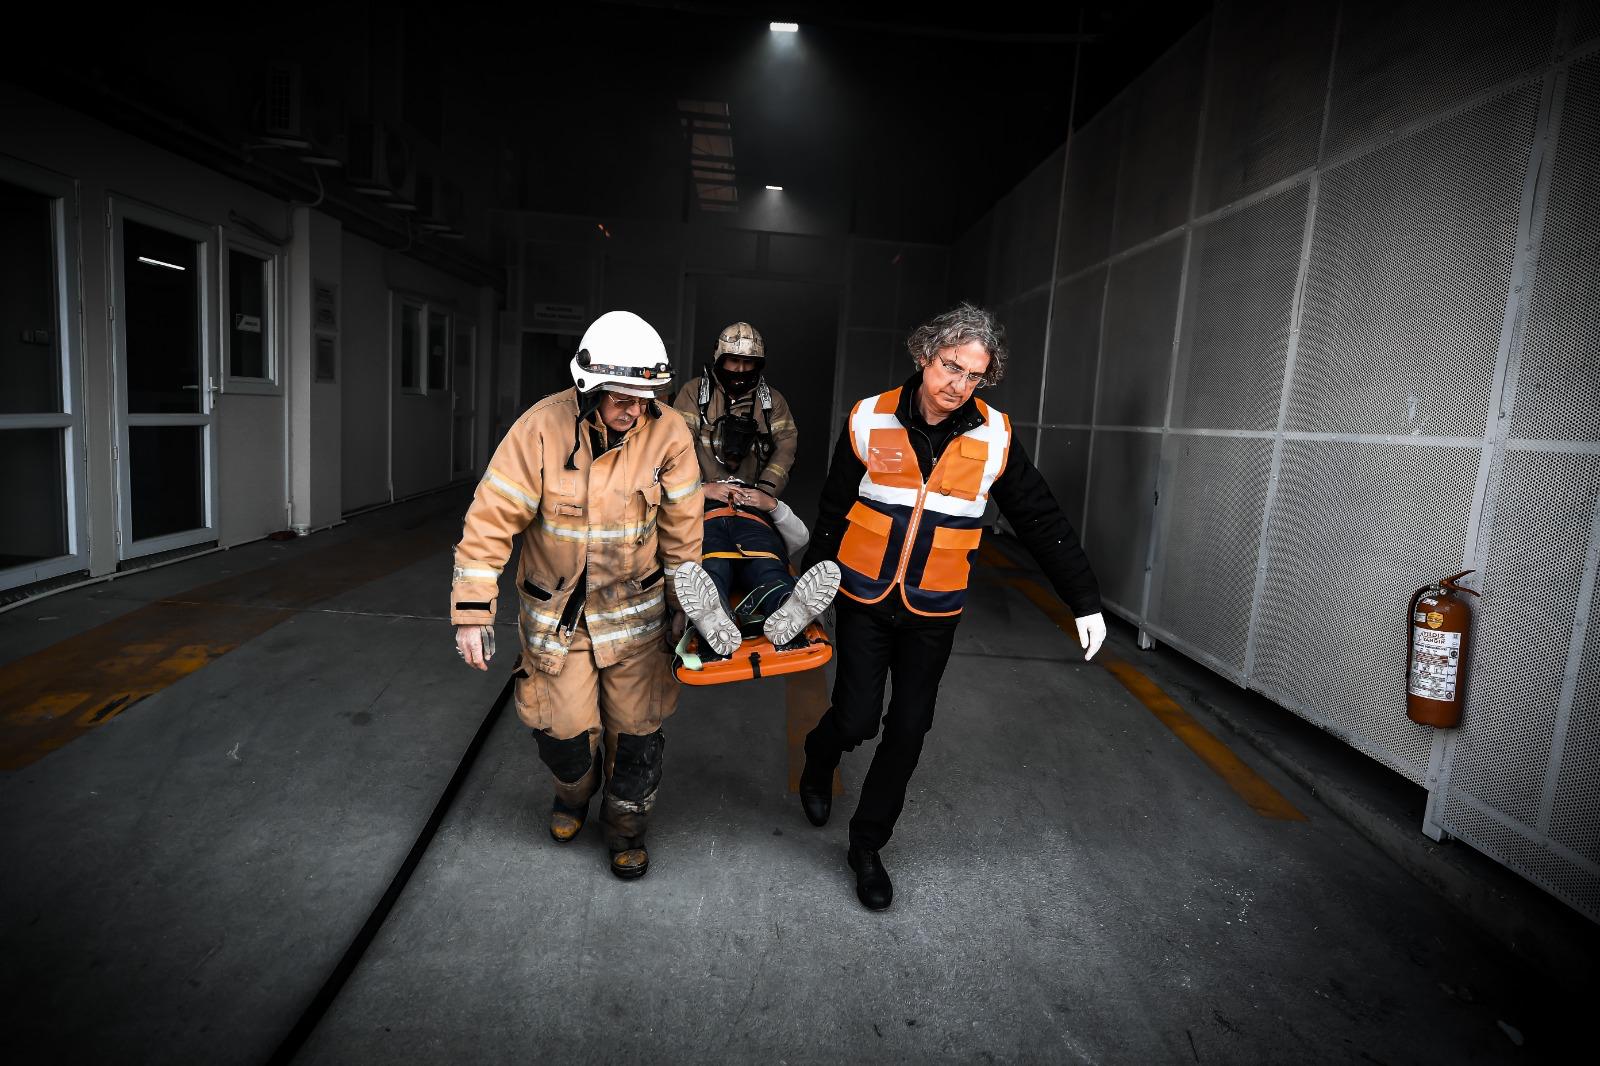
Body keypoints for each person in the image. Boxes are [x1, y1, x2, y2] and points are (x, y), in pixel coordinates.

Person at [796, 302, 1106, 911]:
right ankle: (819, 754)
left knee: (909, 728)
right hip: (864, 595)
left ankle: (866, 845)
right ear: (923, 355)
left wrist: (1083, 600)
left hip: (934, 608)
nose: (958, 385)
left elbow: (1041, 519)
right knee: (856, 719)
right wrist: (809, 591)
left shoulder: (995, 436)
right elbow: (833, 509)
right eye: (950, 367)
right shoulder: (868, 417)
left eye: (974, 376)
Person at [449, 310, 702, 881]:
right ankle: (573, 794)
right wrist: (471, 611)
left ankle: (626, 828)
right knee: (564, 734)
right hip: (560, 621)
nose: (634, 410)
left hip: (636, 620)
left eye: (644, 398)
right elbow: (489, 522)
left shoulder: (669, 433)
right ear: (588, 387)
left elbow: (684, 531)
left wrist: (686, 606)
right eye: (621, 398)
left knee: (636, 737)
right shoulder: (540, 430)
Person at [670, 321, 837, 655]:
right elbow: (674, 447)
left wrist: (765, 493)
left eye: (749, 363)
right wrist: (700, 489)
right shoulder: (693, 394)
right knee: (712, 565)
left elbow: (786, 445)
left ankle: (787, 606)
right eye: (733, 361)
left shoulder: (771, 402)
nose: (740, 370)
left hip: (752, 508)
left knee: (766, 565)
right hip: (705, 506)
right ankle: (712, 614)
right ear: (719, 359)